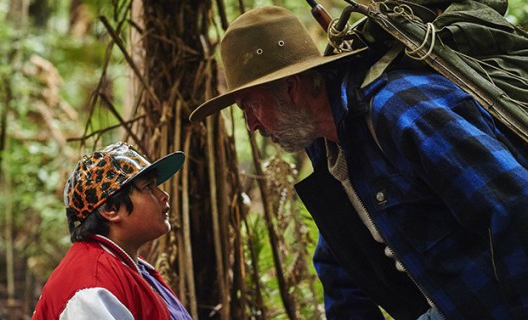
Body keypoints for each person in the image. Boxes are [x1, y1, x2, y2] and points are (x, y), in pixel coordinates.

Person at [189, 5, 528, 320]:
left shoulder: (400, 110)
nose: (251, 125)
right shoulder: (328, 151)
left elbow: (514, 205)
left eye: (250, 106)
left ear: (291, 88)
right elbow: (341, 270)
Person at [32, 142, 192, 320]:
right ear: (110, 209)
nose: (164, 195)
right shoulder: (91, 287)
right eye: (148, 187)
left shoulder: (131, 268)